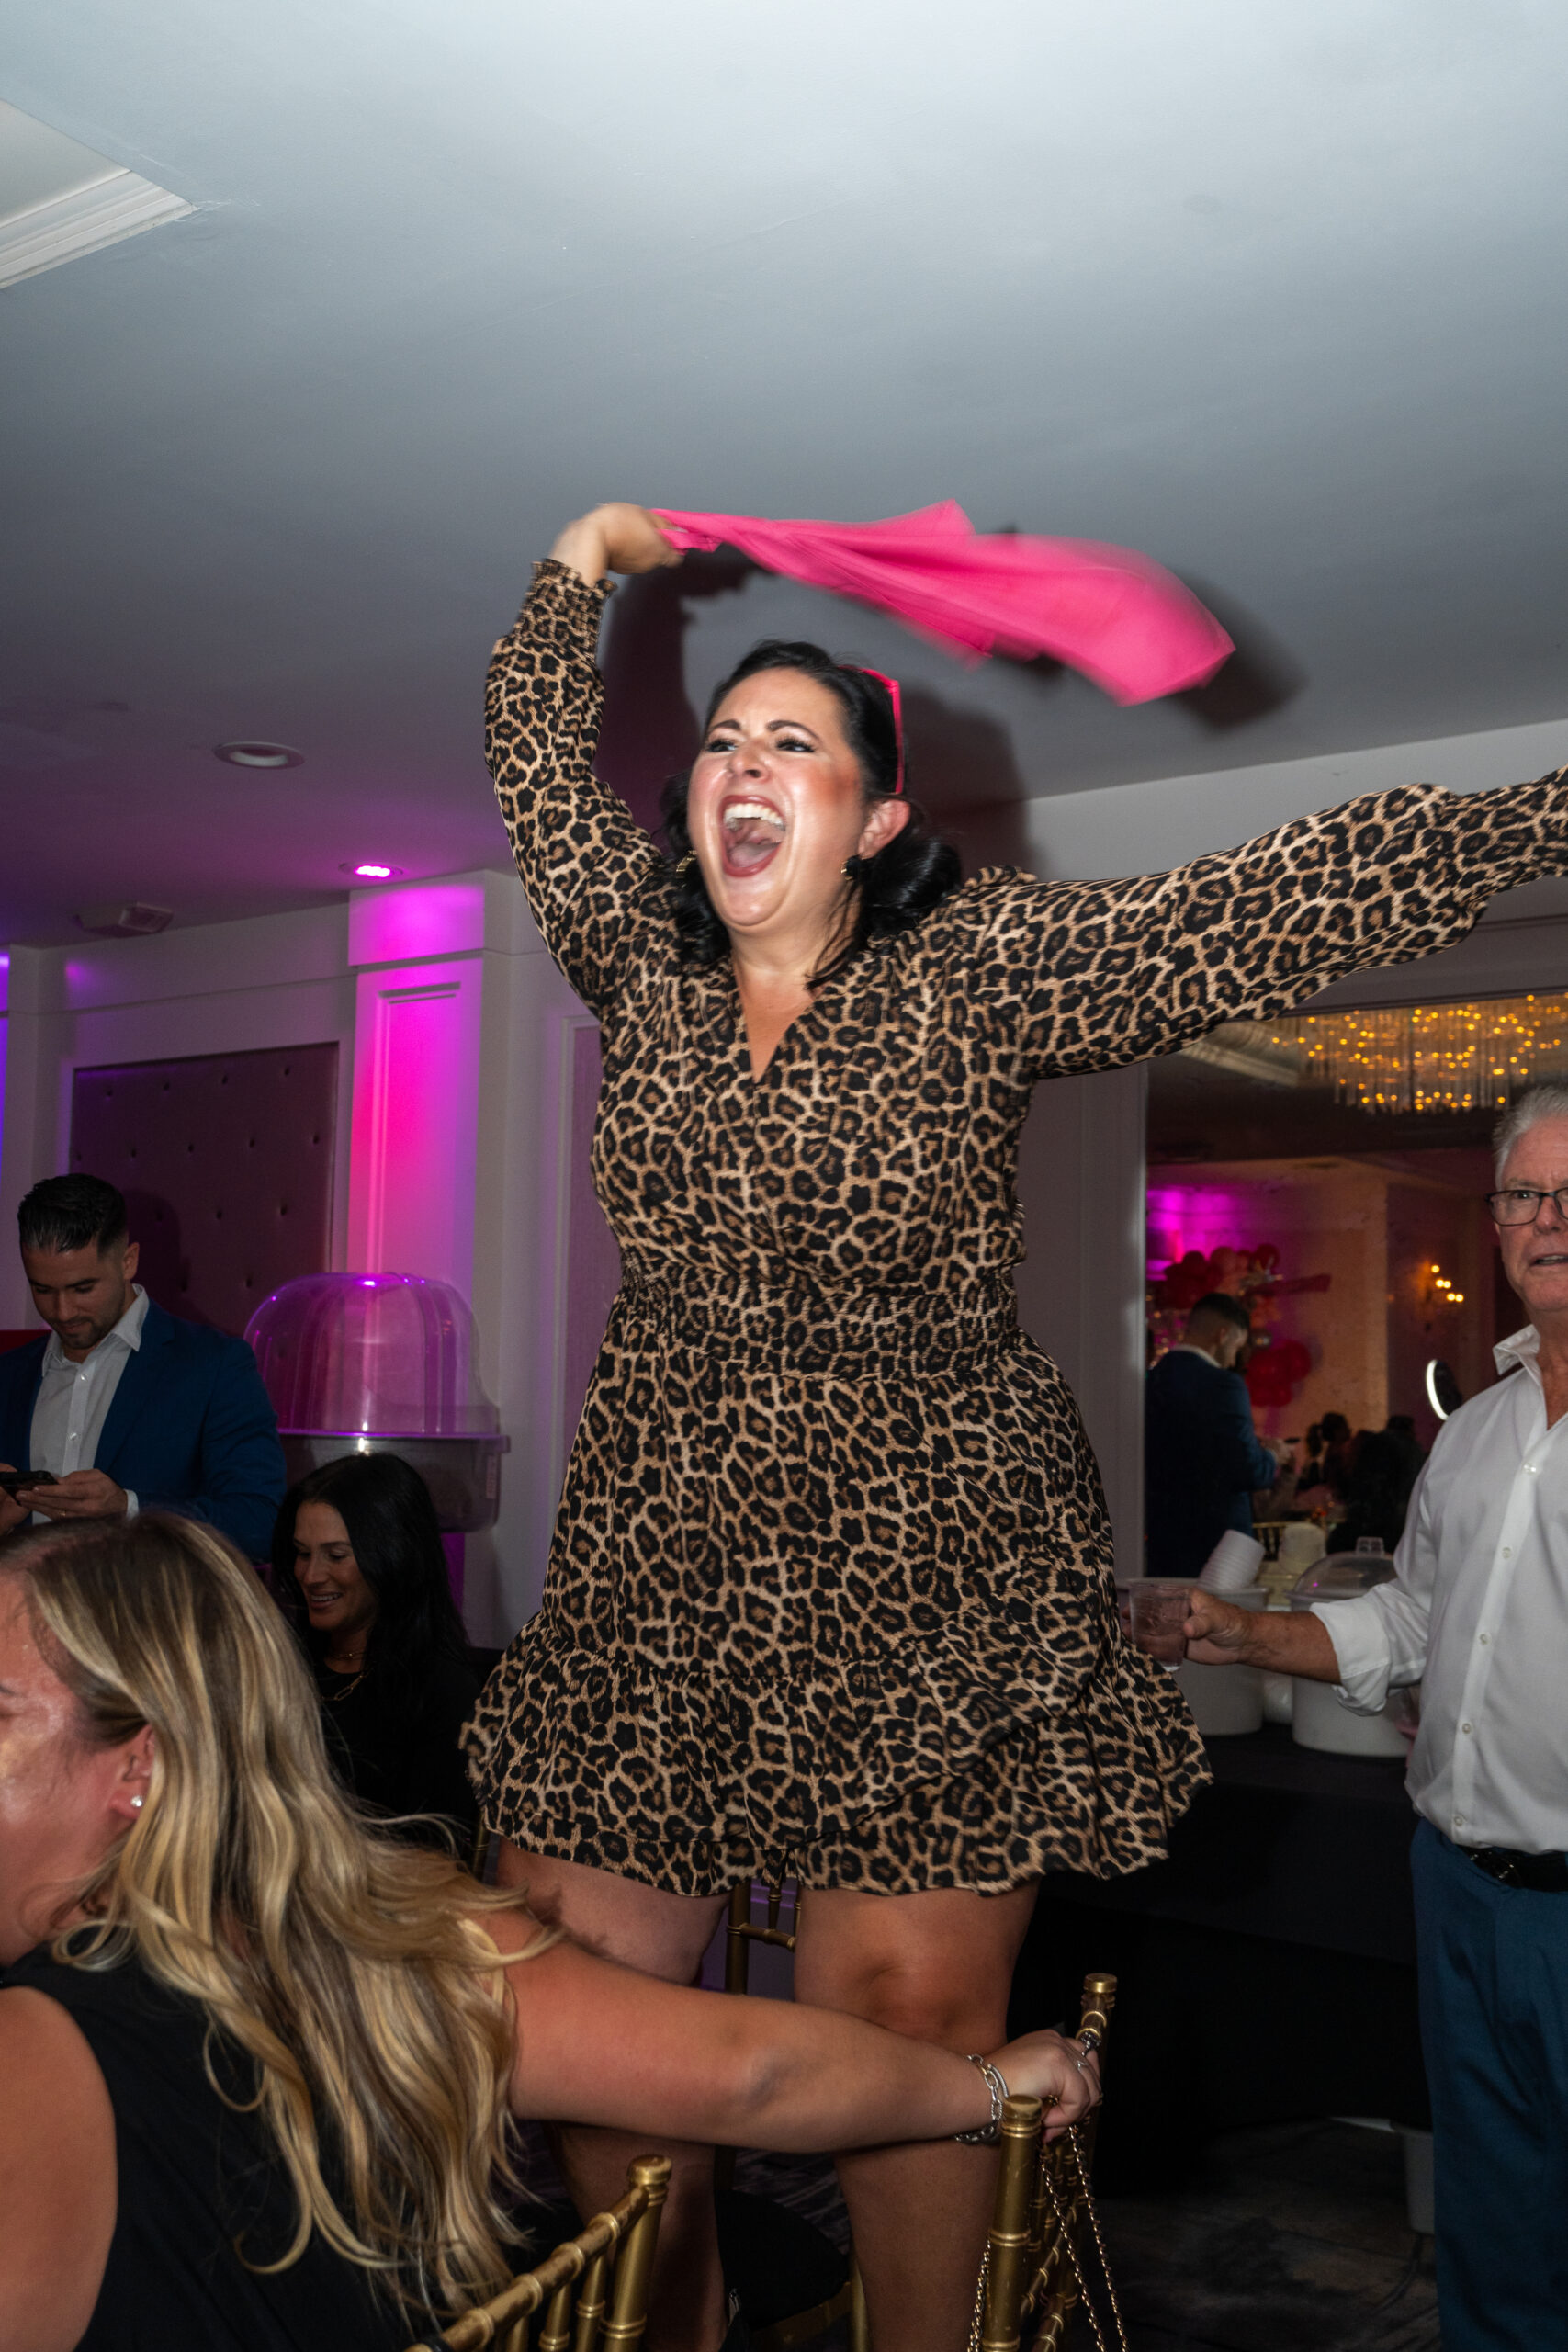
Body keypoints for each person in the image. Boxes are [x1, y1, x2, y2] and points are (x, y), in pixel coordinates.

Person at [468, 499, 1568, 2352]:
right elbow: (530, 765)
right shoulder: (637, 956)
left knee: (906, 2032)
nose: (742, 766)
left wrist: (1539, 811)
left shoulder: (974, 964)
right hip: (658, 1564)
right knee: (593, 2025)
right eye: (723, 741)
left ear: (875, 817)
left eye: (791, 743)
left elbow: (1268, 897)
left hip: (933, 1562)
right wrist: (573, 566)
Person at [0, 1514, 1100, 2352]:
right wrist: (989, 2085)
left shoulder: (37, 2058)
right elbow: (746, 2070)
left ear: (138, 1769)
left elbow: (749, 2071)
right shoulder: (404, 1931)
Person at [1185, 1081, 1568, 2352]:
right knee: (1491, 2233)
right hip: (1456, 1890)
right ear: (1496, 1224)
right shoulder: (1473, 1435)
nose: (1548, 1219)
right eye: (1524, 1194)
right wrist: (1239, 1632)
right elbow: (1410, 1621)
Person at [0, 1174, 285, 1562]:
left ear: (128, 1261)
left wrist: (129, 1511)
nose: (62, 1312)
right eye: (42, 1290)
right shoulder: (9, 1376)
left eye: (83, 1288)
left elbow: (260, 1524)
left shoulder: (215, 1366)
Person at [271, 1453, 479, 1845]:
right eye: (302, 1553)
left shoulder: (443, 1695)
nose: (311, 1575)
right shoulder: (278, 1665)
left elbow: (429, 1858)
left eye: (336, 1556)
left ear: (393, 1556)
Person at [1144, 1293, 1288, 1577]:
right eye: (1237, 1346)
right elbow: (1248, 1469)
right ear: (1223, 1335)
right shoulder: (1223, 1384)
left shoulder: (1153, 1379)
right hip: (1218, 1548)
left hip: (1163, 1540)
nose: (1234, 1358)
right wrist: (1273, 1455)